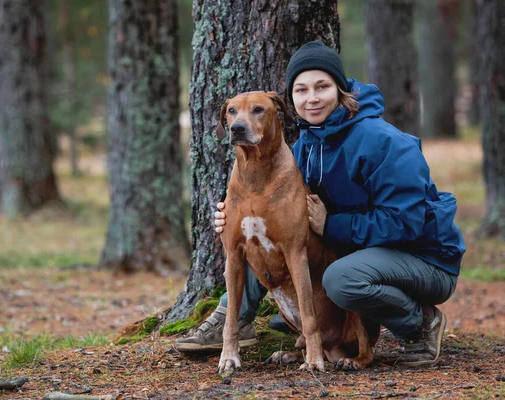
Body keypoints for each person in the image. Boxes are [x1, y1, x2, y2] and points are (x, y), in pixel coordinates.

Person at [175, 40, 465, 367]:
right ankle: (231, 319)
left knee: (342, 279)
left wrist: (331, 224)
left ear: (340, 89)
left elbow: (406, 223)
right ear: (291, 99)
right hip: (366, 255)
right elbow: (272, 231)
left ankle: (421, 323)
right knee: (264, 241)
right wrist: (240, 221)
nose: (311, 98)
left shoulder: (385, 142)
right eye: (301, 90)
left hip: (424, 257)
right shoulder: (305, 146)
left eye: (322, 87)